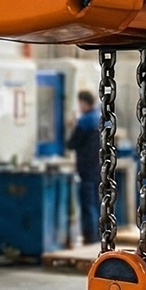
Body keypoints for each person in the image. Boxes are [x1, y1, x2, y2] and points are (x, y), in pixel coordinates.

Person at [67, 90, 103, 244]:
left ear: (83, 103)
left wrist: (73, 126)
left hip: (86, 168)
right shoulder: (100, 118)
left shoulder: (84, 122)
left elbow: (72, 143)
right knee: (98, 203)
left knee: (88, 205)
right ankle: (100, 235)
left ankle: (90, 237)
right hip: (99, 168)